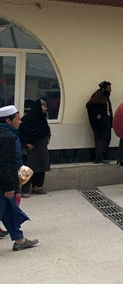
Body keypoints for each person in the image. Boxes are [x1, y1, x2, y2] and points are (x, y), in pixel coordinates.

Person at [0, 105, 38, 252]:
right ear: (8, 121)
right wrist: (10, 187)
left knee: (9, 210)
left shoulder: (8, 134)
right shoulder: (7, 137)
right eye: (17, 119)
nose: (20, 122)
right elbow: (5, 165)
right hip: (4, 182)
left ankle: (19, 240)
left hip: (5, 180)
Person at [19, 98, 51, 197]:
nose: (45, 108)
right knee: (29, 168)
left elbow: (46, 129)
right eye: (43, 105)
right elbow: (21, 131)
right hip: (31, 148)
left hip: (41, 147)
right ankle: (25, 190)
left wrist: (48, 137)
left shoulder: (42, 119)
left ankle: (37, 187)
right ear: (38, 106)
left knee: (41, 166)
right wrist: (27, 143)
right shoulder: (27, 119)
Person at [86, 80, 113, 163]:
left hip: (106, 121)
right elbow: (89, 106)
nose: (110, 90)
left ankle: (102, 157)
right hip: (100, 123)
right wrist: (98, 115)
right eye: (108, 88)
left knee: (107, 138)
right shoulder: (98, 95)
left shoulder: (105, 96)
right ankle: (99, 158)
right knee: (100, 140)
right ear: (104, 88)